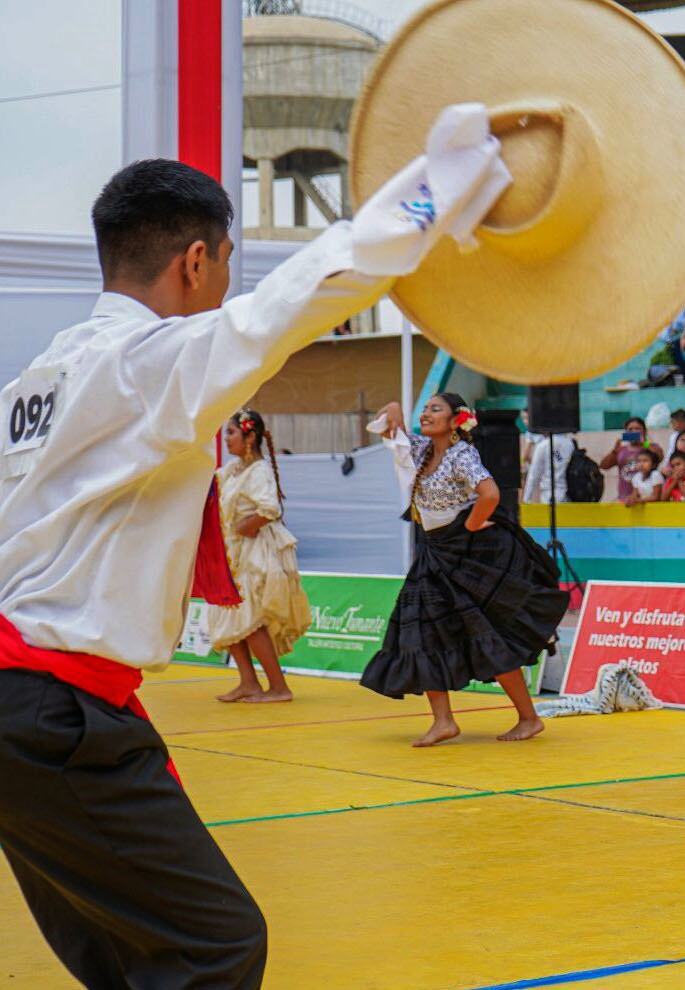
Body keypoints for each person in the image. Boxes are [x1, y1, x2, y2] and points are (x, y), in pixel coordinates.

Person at [0, 107, 510, 986]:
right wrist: (433, 192)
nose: (231, 286)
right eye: (228, 264)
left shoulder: (34, 384)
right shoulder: (144, 364)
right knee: (213, 948)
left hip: (35, 705)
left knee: (128, 955)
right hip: (57, 710)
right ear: (196, 260)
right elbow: (292, 305)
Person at [364, 393, 566, 747]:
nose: (426, 414)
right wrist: (396, 409)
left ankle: (529, 718)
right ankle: (443, 721)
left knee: (486, 632)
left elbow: (489, 494)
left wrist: (471, 527)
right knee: (422, 630)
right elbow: (390, 417)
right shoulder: (423, 449)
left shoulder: (461, 455)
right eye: (425, 409)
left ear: (456, 420)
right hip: (434, 551)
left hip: (467, 552)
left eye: (435, 409)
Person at [207, 409, 307, 705]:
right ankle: (248, 682)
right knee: (230, 613)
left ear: (249, 437)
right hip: (232, 552)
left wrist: (243, 526)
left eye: (232, 433)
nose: (227, 439)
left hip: (254, 551)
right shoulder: (232, 471)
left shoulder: (259, 471)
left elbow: (269, 508)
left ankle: (278, 686)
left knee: (251, 618)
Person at [600, 416, 658, 498]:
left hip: (646, 498)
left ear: (644, 431)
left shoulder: (650, 446)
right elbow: (603, 466)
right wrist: (614, 451)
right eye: (630, 429)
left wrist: (645, 443)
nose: (633, 432)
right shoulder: (621, 450)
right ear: (626, 432)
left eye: (637, 429)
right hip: (624, 497)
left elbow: (659, 456)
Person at [522, 430, 574, 504]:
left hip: (548, 495)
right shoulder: (570, 444)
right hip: (567, 495)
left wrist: (526, 499)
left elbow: (533, 475)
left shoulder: (543, 446)